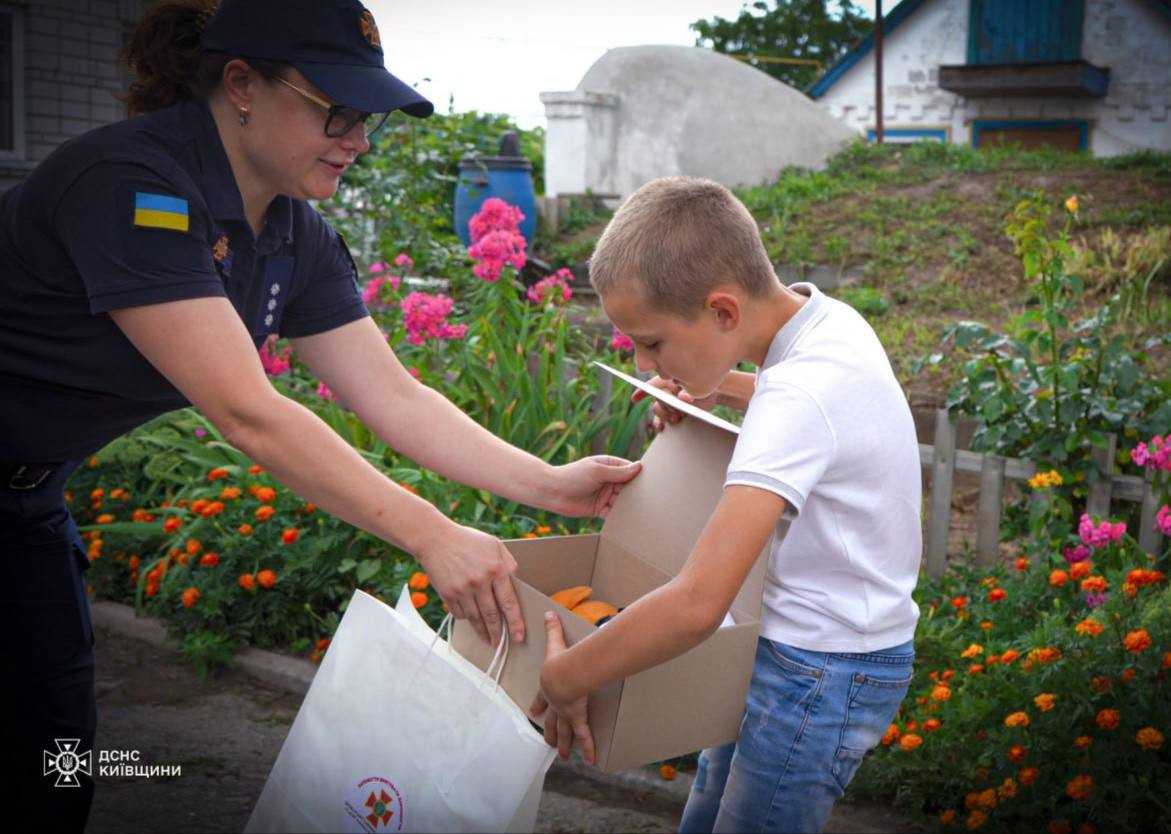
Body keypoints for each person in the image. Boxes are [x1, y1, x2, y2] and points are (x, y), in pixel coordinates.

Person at [0, 1, 640, 830]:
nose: (358, 140)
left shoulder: (295, 235)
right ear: (241, 86)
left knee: (57, 754)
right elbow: (247, 412)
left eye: (366, 118)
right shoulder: (133, 187)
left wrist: (554, 485)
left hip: (27, 501)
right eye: (335, 111)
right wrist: (432, 534)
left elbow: (395, 395)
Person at [529, 176, 922, 833]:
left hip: (817, 675)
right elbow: (816, 406)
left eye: (651, 342)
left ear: (721, 312)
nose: (642, 357)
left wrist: (565, 676)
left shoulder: (797, 399)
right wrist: (722, 386)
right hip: (803, 652)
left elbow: (695, 604)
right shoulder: (822, 322)